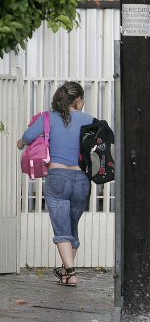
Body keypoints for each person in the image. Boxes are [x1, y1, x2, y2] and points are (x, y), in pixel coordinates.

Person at [17, 82, 96, 287]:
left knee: (62, 229)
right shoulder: (89, 120)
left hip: (57, 177)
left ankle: (71, 273)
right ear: (78, 100)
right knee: (71, 227)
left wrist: (20, 144)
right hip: (81, 180)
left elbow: (26, 138)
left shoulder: (48, 118)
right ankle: (64, 272)